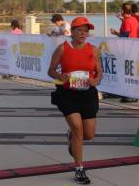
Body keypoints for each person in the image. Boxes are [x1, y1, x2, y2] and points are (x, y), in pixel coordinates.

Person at [48, 17, 103, 184]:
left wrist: (97, 80)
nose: (83, 34)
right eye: (79, 30)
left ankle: (71, 136)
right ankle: (79, 169)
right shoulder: (62, 49)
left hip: (88, 94)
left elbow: (99, 71)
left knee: (89, 134)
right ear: (72, 32)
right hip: (67, 94)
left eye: (86, 31)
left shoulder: (93, 50)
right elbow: (50, 71)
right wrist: (60, 76)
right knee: (79, 130)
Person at [111, 3, 139, 103]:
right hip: (135, 49)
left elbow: (125, 36)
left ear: (123, 11)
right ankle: (133, 94)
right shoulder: (134, 20)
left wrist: (115, 33)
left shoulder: (126, 21)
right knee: (132, 73)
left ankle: (129, 95)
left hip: (127, 50)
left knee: (127, 73)